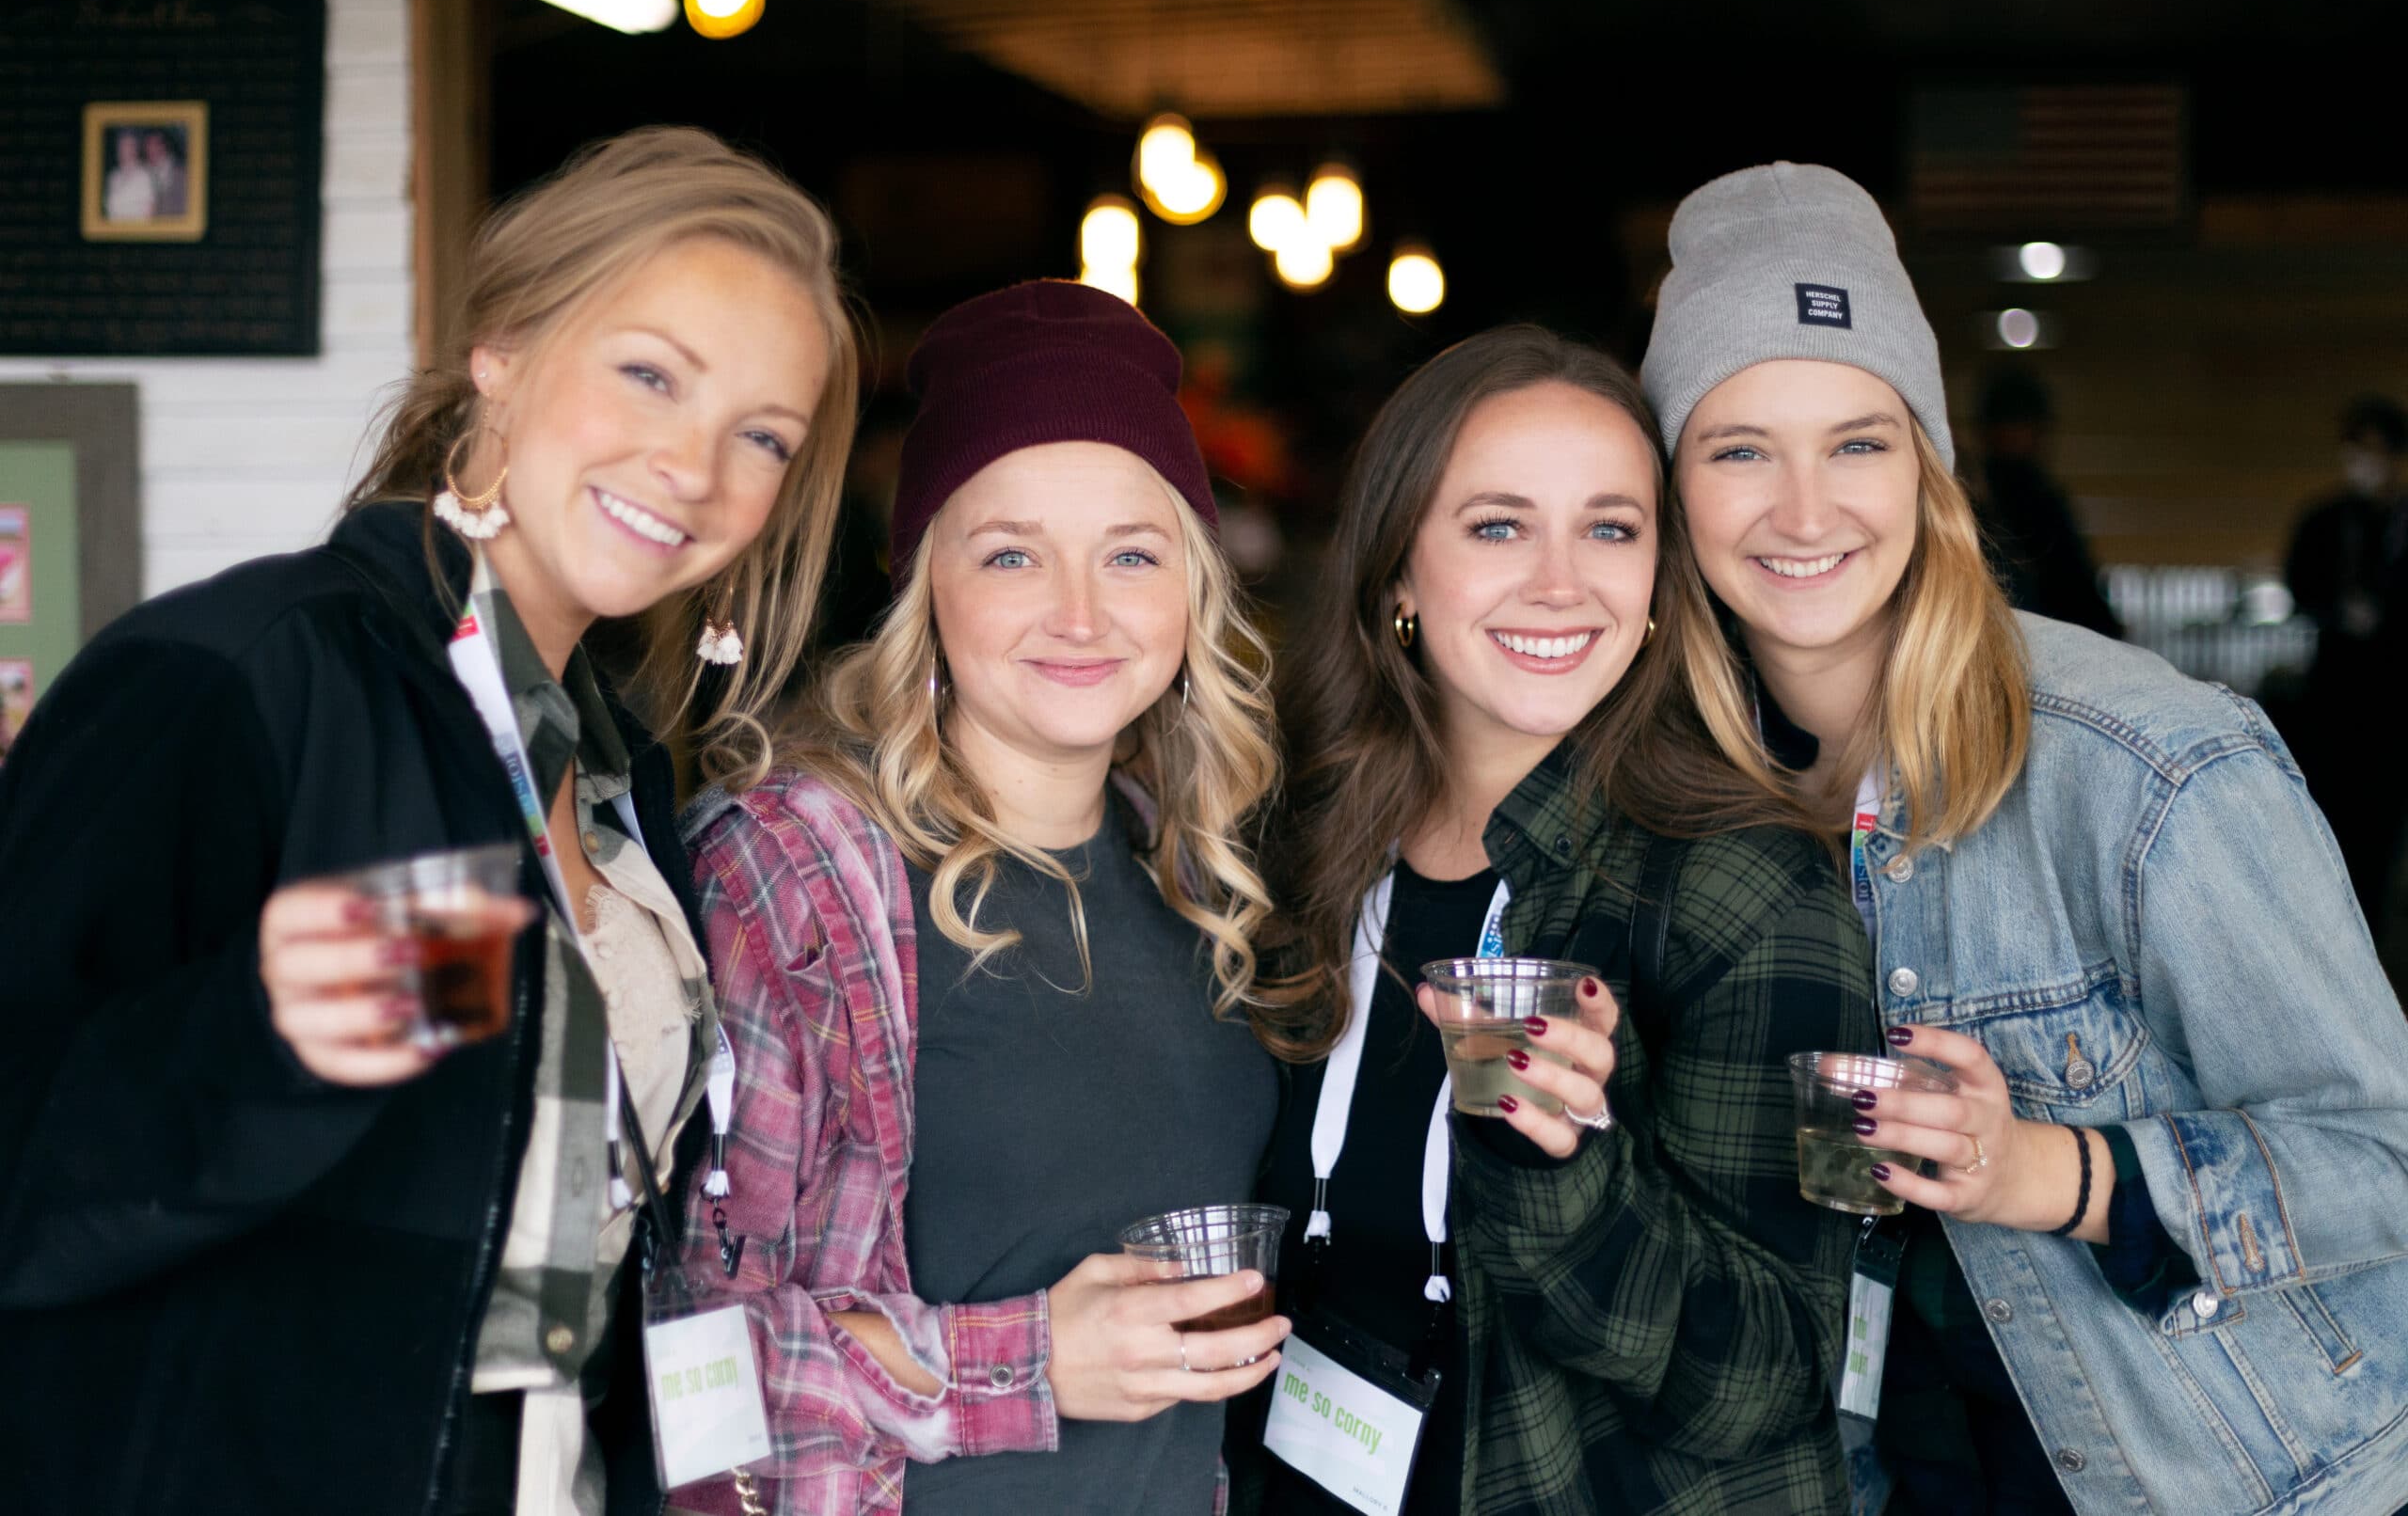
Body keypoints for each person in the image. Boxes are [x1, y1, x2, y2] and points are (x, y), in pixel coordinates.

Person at [0, 126, 859, 1516]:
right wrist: (254, 1039)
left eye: (762, 435)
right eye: (650, 373)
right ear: (502, 349)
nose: (695, 467)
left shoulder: (621, 768)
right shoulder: (242, 674)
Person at [1642, 161, 2408, 1516]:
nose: (1806, 509)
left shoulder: (2146, 765)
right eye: (1739, 445)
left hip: (2229, 1475)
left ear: (1929, 467)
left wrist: (2057, 1169)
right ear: (1673, 485)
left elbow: (2388, 1162)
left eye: (1858, 441)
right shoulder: (1685, 797)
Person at [1232, 325, 1877, 1516]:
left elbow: (1793, 1373)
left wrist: (1564, 1166)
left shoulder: (1768, 890)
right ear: (1397, 577)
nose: (1560, 582)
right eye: (1496, 526)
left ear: (1652, 586)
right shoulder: (1292, 850)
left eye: (1609, 528)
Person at [670, 279, 1288, 1515]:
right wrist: (1030, 1359)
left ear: (1192, 590)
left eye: (1131, 552)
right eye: (1012, 552)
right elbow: (686, 1367)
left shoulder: (1192, 865)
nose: (1080, 610)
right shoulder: (797, 876)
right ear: (925, 588)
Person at [2283, 393, 2408, 936]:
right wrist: (2339, 611)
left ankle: (2376, 933)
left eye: (2374, 451)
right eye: (2353, 450)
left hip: (2395, 705)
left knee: (2381, 835)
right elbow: (2299, 584)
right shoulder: (2326, 520)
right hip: (2334, 703)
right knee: (2330, 826)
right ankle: (2334, 932)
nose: (2361, 463)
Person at [1967, 368, 2119, 639]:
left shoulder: (2042, 500)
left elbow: (2076, 588)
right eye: (2013, 426)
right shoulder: (1982, 500)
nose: (2020, 437)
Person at [103, 126, 155, 221]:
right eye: (120, 145)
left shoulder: (145, 175)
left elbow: (149, 213)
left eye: (128, 145)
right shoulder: (113, 176)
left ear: (135, 149)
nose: (123, 149)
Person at [144, 126, 190, 217]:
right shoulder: (143, 171)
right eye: (148, 145)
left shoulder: (182, 172)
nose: (152, 149)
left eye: (156, 144)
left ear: (165, 145)